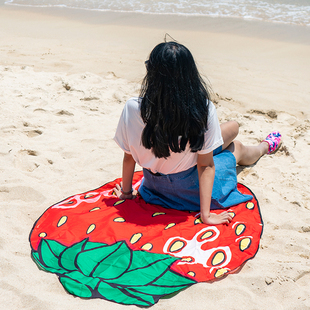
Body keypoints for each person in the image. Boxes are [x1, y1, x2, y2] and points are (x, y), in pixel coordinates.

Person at [113, 41, 281, 225]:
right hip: (188, 190)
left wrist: (126, 193)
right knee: (236, 147)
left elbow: (128, 157)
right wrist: (206, 215)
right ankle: (264, 147)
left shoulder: (132, 107)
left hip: (153, 187)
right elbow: (205, 166)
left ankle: (253, 142)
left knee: (232, 127)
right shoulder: (203, 109)